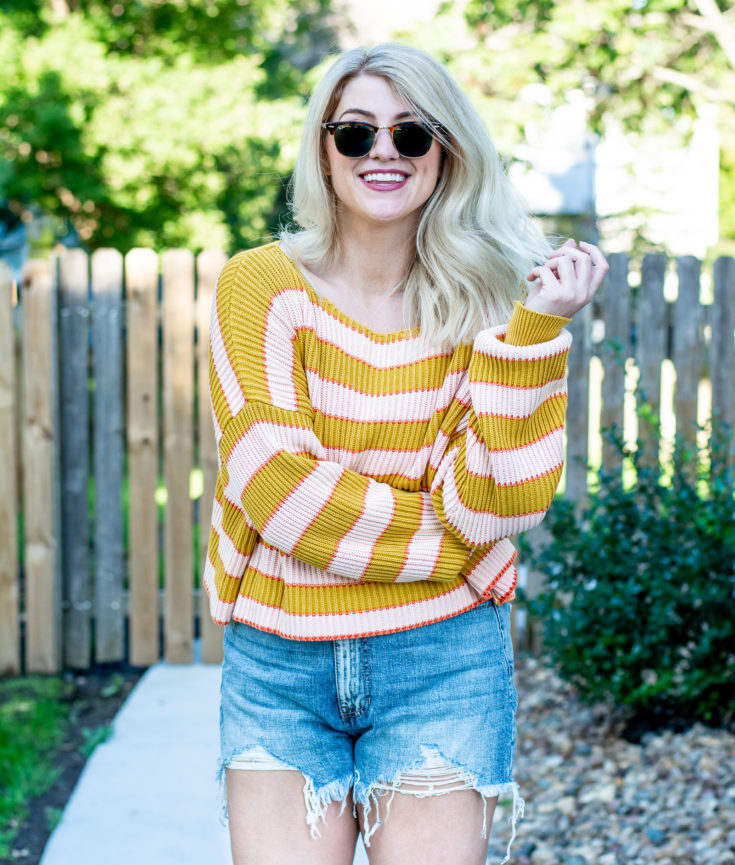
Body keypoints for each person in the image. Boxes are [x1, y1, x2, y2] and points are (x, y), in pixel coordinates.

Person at [203, 42, 608, 865]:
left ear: (445, 151)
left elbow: (500, 503)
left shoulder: (497, 303)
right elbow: (280, 494)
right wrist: (455, 543)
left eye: (411, 133)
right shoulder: (259, 286)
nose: (382, 151)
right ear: (323, 150)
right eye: (354, 133)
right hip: (281, 660)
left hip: (443, 657)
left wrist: (531, 337)